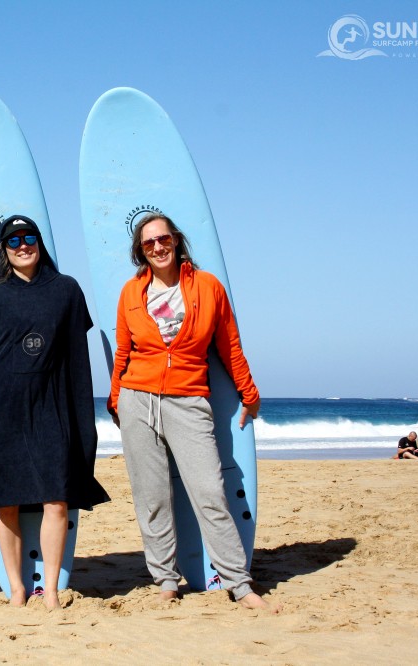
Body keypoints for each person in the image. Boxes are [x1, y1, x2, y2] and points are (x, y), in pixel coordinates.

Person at [0, 215, 109, 610]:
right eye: (13, 241)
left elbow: (76, 359)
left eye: (29, 237)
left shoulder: (66, 290)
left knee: (56, 499)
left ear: (40, 242)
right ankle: (16, 588)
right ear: (4, 249)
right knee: (5, 502)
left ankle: (49, 589)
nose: (22, 245)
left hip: (49, 406)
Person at [109, 212, 275, 612]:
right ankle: (165, 580)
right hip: (137, 399)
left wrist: (249, 396)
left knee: (209, 493)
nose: (157, 248)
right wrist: (116, 398)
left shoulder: (207, 287)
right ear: (140, 252)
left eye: (163, 239)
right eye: (148, 244)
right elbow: (123, 352)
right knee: (152, 498)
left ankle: (239, 582)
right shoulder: (132, 292)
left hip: (188, 399)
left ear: (176, 241)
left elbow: (230, 347)